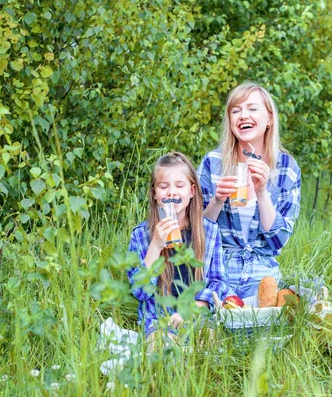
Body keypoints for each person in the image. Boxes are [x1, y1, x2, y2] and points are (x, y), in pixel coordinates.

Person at [197, 81, 301, 300]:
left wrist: (262, 192)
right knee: (211, 322)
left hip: (263, 276)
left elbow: (279, 240)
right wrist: (217, 201)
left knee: (289, 307)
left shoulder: (286, 168)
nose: (243, 115)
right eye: (236, 110)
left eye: (252, 109)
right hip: (218, 273)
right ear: (230, 121)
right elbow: (198, 235)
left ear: (270, 118)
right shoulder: (212, 163)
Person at [127, 152, 228, 348]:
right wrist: (155, 246)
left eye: (179, 186)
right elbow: (139, 291)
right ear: (155, 194)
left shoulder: (209, 231)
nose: (172, 192)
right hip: (158, 319)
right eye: (164, 186)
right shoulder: (142, 235)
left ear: (191, 191)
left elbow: (219, 282)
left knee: (208, 345)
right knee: (162, 348)